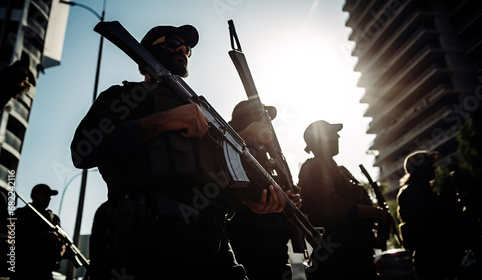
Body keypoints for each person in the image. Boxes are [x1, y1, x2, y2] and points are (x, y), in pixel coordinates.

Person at [71, 24, 286, 279]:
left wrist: (254, 200)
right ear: (147, 51)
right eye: (173, 42)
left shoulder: (204, 114)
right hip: (152, 238)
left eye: (188, 49)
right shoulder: (126, 97)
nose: (183, 49)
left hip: (214, 240)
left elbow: (217, 174)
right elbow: (83, 150)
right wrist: (163, 121)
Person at [298, 120, 390, 280]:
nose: (338, 136)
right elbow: (332, 206)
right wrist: (376, 213)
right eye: (332, 133)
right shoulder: (314, 167)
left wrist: (375, 237)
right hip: (338, 259)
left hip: (358, 254)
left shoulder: (340, 171)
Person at [226, 100, 302, 280]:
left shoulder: (268, 157)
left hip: (277, 246)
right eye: (263, 118)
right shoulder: (231, 148)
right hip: (246, 245)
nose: (268, 125)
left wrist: (288, 198)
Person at [397, 150, 464, 280]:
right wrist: (459, 237)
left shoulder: (423, 192)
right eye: (430, 163)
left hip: (440, 257)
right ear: (420, 168)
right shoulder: (412, 194)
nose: (435, 166)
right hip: (433, 260)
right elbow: (424, 230)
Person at [13, 184, 65, 280]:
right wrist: (42, 235)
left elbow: (62, 241)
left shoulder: (53, 218)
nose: (49, 198)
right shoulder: (21, 213)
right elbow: (17, 236)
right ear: (35, 196)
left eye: (50, 196)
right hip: (24, 268)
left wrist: (61, 248)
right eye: (46, 195)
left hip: (45, 270)